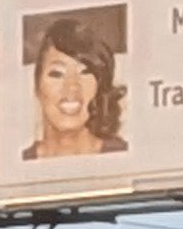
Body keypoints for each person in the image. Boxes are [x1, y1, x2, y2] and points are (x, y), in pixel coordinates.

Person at [23, 10, 126, 160]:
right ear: (37, 86)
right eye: (57, 73)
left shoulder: (124, 157)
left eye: (85, 72)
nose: (72, 87)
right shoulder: (14, 168)